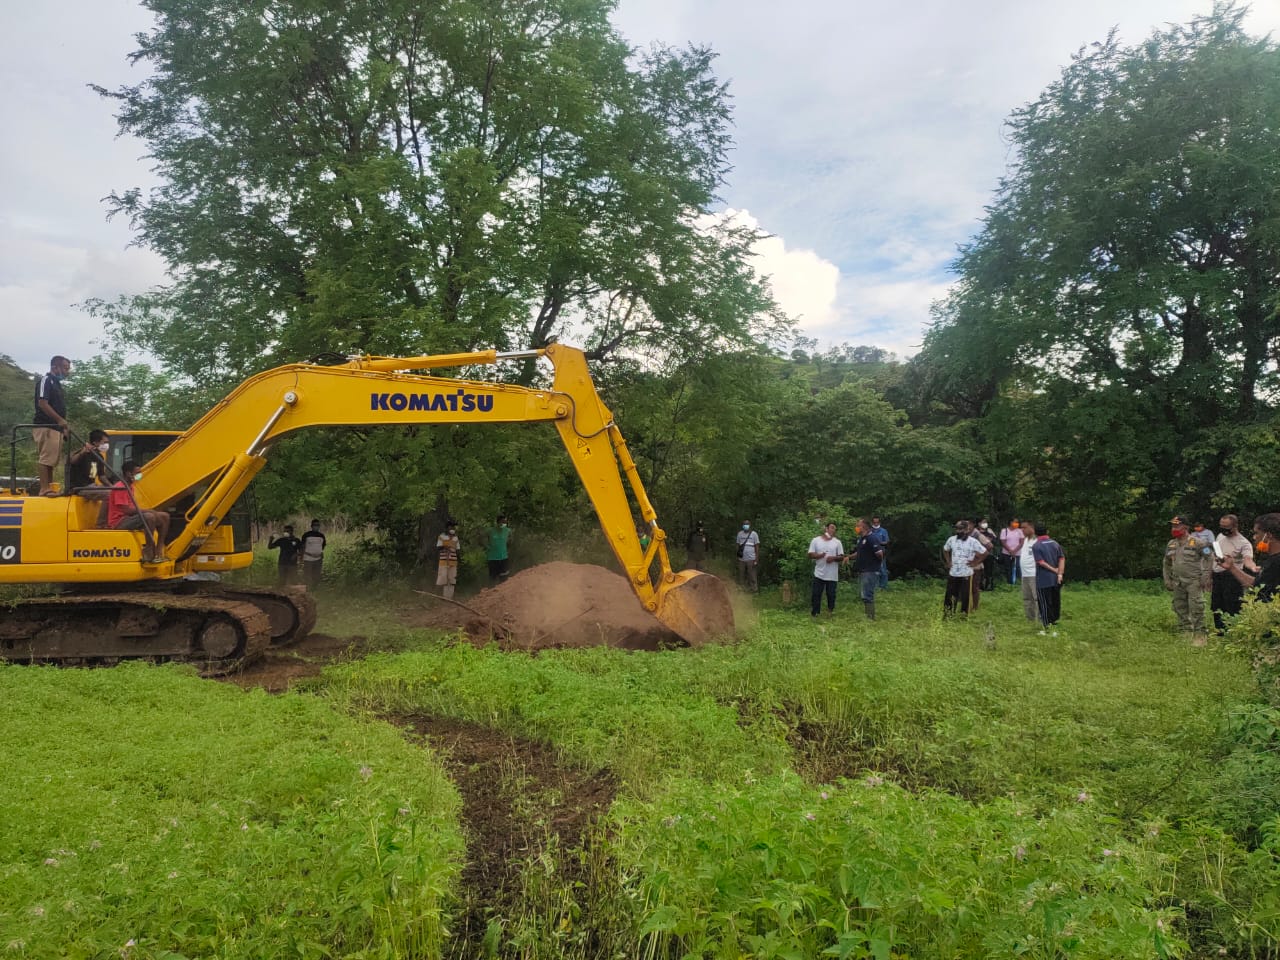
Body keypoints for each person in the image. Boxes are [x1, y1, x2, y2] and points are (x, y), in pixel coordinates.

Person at [106, 459, 170, 563]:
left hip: (129, 519)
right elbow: (126, 510)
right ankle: (149, 550)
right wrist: (147, 511)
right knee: (149, 516)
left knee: (165, 516)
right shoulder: (120, 488)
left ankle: (159, 549)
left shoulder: (131, 487)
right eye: (137, 473)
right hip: (119, 521)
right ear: (128, 473)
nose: (139, 475)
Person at [1162, 515, 1212, 644]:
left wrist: (1206, 576)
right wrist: (1167, 579)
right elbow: (1166, 563)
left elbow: (1209, 557)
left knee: (1196, 607)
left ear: (1185, 527)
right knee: (1179, 607)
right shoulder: (1171, 544)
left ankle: (1200, 635)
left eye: (1177, 525)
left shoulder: (1198, 542)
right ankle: (1185, 632)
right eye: (1173, 526)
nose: (1174, 528)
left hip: (1193, 581)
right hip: (1177, 581)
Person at [33, 355, 72, 495]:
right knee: (46, 458)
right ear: (55, 367)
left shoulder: (57, 384)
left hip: (56, 427)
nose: (67, 371)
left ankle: (49, 487)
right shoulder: (46, 380)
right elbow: (42, 403)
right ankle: (44, 488)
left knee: (52, 459)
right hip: (46, 425)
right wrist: (59, 420)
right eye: (65, 368)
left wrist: (63, 427)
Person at [1219, 513, 1280, 603]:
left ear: (1268, 535)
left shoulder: (1276, 563)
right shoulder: (1272, 560)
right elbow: (1257, 583)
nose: (1254, 537)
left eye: (1256, 533)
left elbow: (1256, 587)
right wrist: (1231, 567)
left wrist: (1232, 568)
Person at [1211, 514, 1253, 632]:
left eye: (1226, 528)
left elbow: (1248, 559)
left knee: (1232, 605)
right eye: (1221, 527)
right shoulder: (1220, 536)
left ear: (1235, 526)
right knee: (1216, 605)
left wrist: (1253, 567)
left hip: (1232, 577)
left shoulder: (1243, 543)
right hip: (1217, 574)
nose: (1223, 531)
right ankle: (1219, 631)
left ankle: (1234, 632)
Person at [942, 520, 987, 618]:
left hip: (967, 573)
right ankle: (948, 614)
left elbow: (985, 552)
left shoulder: (973, 542)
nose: (958, 531)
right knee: (950, 595)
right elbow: (945, 550)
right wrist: (948, 561)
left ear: (967, 529)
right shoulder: (951, 540)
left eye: (961, 529)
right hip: (953, 572)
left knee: (966, 596)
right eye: (957, 529)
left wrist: (976, 562)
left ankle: (964, 615)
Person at [1031, 524, 1066, 631]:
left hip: (1043, 579)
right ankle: (1054, 621)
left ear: (1035, 533)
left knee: (1044, 603)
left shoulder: (1036, 546)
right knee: (1055, 600)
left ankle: (1047, 624)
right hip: (1056, 579)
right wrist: (1060, 573)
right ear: (1047, 531)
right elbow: (1062, 559)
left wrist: (1053, 570)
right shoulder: (1055, 544)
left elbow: (1041, 562)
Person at [807, 521, 845, 617]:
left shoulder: (837, 542)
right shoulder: (816, 540)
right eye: (831, 528)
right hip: (819, 573)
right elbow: (810, 554)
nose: (833, 530)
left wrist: (833, 558)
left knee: (831, 594)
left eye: (835, 529)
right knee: (816, 594)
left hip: (832, 574)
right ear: (826, 529)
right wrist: (819, 555)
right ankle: (815, 612)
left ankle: (830, 611)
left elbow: (841, 557)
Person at [853, 519, 886, 620]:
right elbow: (859, 553)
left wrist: (876, 563)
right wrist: (848, 557)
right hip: (864, 570)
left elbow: (880, 553)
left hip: (870, 570)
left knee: (867, 594)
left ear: (864, 527)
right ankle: (868, 616)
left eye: (858, 525)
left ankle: (870, 618)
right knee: (864, 593)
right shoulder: (862, 539)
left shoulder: (872, 538)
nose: (856, 527)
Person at [1017, 520, 1039, 622]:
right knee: (1027, 598)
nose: (1022, 530)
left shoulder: (1037, 540)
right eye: (1021, 528)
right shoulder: (1025, 540)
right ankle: (1030, 619)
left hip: (1034, 573)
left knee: (1036, 598)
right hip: (1025, 574)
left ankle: (1039, 618)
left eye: (1024, 527)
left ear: (1031, 528)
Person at [435, 519, 461, 600]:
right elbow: (438, 547)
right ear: (447, 528)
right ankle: (442, 597)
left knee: (452, 579)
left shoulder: (456, 538)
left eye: (453, 527)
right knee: (443, 578)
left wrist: (458, 560)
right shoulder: (441, 536)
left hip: (453, 561)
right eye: (451, 527)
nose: (452, 528)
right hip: (444, 561)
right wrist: (445, 546)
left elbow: (458, 549)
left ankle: (450, 598)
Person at [299, 519, 327, 588]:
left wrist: (318, 553)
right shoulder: (306, 535)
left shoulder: (321, 536)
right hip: (308, 559)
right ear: (311, 526)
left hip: (318, 559)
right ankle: (307, 590)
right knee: (307, 576)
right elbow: (302, 546)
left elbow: (322, 546)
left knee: (317, 576)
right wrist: (301, 558)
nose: (316, 527)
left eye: (318, 525)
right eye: (315, 525)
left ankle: (315, 589)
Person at [736, 521, 760, 593]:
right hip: (741, 558)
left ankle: (754, 589)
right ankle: (741, 589)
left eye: (747, 524)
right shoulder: (739, 534)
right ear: (742, 525)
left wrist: (756, 558)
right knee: (741, 573)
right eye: (744, 524)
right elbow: (737, 545)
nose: (745, 526)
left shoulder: (754, 534)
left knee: (751, 574)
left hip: (751, 558)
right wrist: (737, 555)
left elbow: (757, 546)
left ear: (749, 525)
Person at [486, 515, 512, 582]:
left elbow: (511, 540)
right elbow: (480, 538)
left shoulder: (508, 531)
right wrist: (486, 546)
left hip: (504, 557)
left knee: (504, 579)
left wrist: (508, 548)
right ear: (498, 522)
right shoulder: (490, 531)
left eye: (505, 522)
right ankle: (492, 591)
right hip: (493, 558)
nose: (504, 524)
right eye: (502, 522)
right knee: (492, 578)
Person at [999, 518, 1025, 586]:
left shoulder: (1019, 531)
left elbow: (1022, 542)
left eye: (1017, 522)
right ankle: (1009, 582)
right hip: (1006, 553)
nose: (1017, 524)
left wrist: (1015, 551)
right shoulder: (1004, 531)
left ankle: (1018, 581)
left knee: (1018, 566)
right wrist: (1010, 551)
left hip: (1018, 553)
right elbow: (1003, 542)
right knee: (1008, 568)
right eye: (1015, 522)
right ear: (1010, 522)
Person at [974, 518, 997, 591]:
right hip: (978, 553)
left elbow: (994, 539)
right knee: (979, 570)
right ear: (979, 523)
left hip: (989, 553)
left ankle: (988, 586)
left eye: (986, 522)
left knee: (989, 570)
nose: (985, 523)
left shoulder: (989, 530)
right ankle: (979, 586)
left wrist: (988, 538)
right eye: (983, 522)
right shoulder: (975, 531)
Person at [870, 517, 890, 589]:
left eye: (877, 522)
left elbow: (887, 541)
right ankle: (875, 587)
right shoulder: (870, 531)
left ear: (879, 523)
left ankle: (883, 587)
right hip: (871, 554)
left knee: (882, 570)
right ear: (872, 523)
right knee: (874, 571)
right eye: (874, 522)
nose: (875, 524)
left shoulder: (883, 531)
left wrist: (879, 543)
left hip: (881, 553)